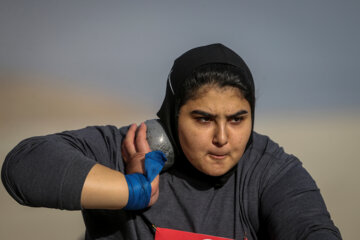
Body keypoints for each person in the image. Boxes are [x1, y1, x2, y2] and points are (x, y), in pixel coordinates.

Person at [1, 43, 342, 240]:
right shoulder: (131, 148)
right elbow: (24, 165)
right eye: (203, 119)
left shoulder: (270, 171)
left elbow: (311, 229)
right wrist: (131, 189)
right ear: (172, 114)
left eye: (237, 119)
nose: (223, 138)